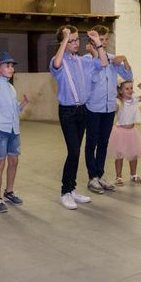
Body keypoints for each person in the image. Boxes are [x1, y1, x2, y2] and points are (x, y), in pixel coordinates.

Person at [50, 25, 107, 210]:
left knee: (77, 151)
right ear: (64, 42)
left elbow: (104, 63)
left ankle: (72, 189)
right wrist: (64, 38)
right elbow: (57, 63)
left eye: (76, 40)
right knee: (73, 151)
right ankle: (65, 191)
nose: (76, 43)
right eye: (71, 40)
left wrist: (98, 42)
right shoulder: (58, 61)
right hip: (67, 112)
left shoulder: (83, 61)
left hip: (82, 110)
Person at [84, 25, 132, 194]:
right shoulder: (86, 60)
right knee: (92, 142)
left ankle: (100, 174)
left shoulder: (113, 59)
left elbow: (128, 77)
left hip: (109, 107)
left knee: (104, 142)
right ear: (92, 40)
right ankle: (92, 177)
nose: (103, 43)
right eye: (100, 40)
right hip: (92, 107)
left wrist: (125, 59)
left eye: (105, 40)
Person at [0, 52, 30, 213]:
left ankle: (9, 191)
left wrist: (23, 103)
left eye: (12, 66)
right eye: (8, 65)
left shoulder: (11, 87)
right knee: (0, 163)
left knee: (14, 161)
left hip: (13, 128)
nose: (11, 68)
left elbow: (15, 110)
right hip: (0, 128)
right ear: (0, 67)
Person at [108, 80, 141, 185]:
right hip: (120, 132)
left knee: (133, 155)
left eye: (131, 88)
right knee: (119, 155)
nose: (130, 90)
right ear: (120, 91)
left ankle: (133, 175)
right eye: (127, 88)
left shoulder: (134, 99)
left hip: (132, 132)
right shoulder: (118, 102)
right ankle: (118, 177)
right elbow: (112, 108)